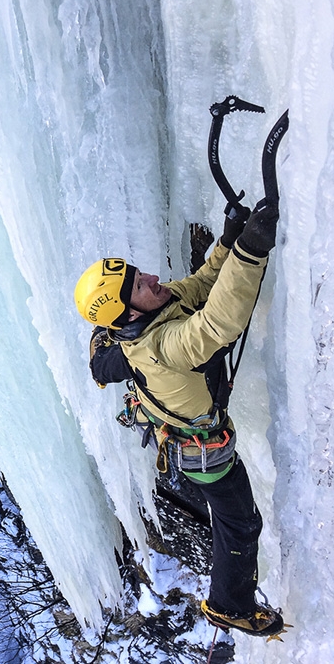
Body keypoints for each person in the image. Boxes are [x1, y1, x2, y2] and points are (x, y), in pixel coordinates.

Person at [73, 199, 285, 638]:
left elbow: (202, 284)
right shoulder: (160, 346)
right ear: (130, 313)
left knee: (236, 522)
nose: (151, 277)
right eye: (138, 284)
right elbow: (215, 326)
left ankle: (230, 600)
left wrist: (228, 243)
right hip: (204, 457)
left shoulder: (153, 309)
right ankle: (229, 606)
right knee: (241, 525)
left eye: (139, 273)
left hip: (183, 438)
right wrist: (251, 251)